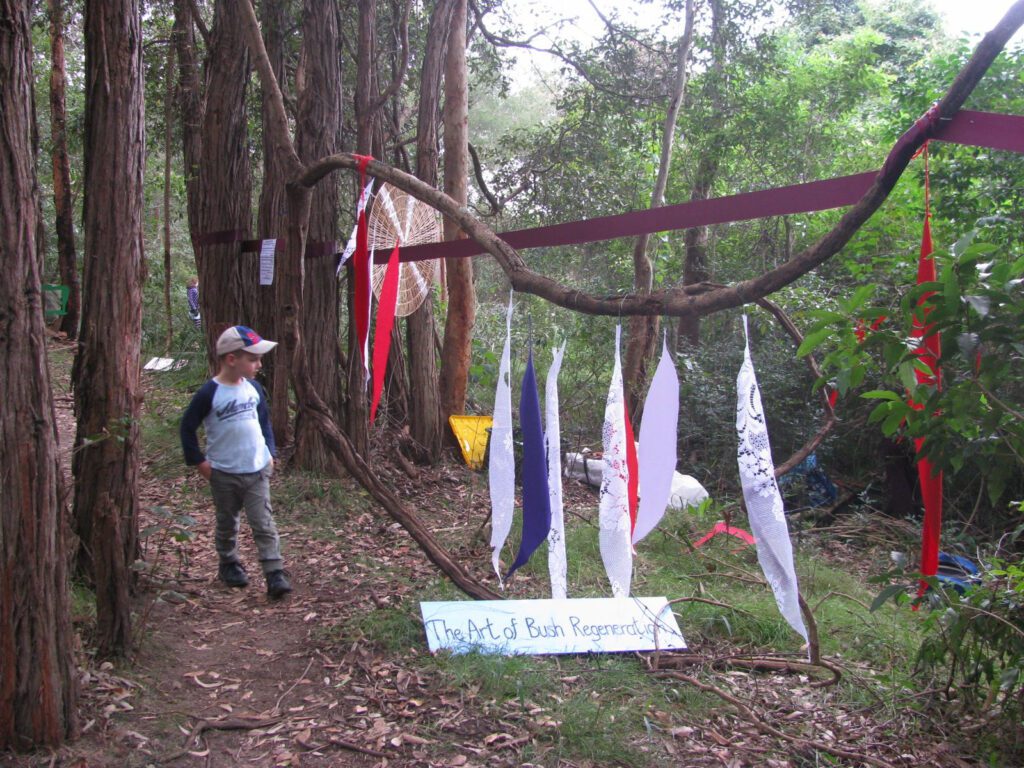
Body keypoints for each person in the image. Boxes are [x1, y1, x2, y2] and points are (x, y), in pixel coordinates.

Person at [180, 325, 292, 598]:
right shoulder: (210, 393)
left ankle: (274, 571)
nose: (259, 364)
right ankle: (229, 563)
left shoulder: (253, 389)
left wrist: (271, 453)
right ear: (232, 359)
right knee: (227, 520)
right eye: (253, 359)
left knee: (263, 522)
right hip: (224, 472)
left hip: (256, 469)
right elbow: (187, 427)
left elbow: (264, 422)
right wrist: (200, 462)